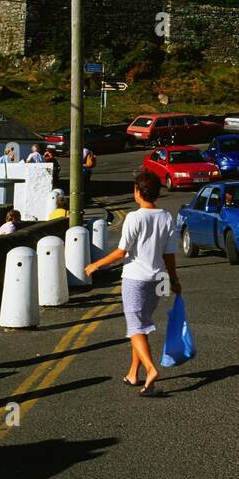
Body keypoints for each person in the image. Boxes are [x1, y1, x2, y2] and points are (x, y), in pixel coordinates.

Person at [85, 169, 180, 395]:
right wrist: (174, 279)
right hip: (158, 279)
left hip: (135, 279)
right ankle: (132, 373)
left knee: (135, 327)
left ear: (138, 192)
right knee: (141, 326)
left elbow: (121, 252)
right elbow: (169, 255)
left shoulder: (134, 217)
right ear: (156, 193)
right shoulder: (167, 217)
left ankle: (150, 369)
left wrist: (95, 265)